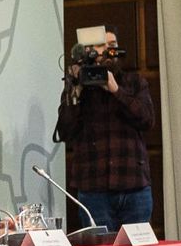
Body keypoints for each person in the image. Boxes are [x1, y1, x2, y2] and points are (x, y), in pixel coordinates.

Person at [54, 27, 155, 231]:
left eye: (112, 46)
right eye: (101, 46)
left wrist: (115, 90)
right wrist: (76, 91)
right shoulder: (78, 89)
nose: (107, 51)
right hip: (93, 188)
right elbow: (65, 131)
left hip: (133, 185)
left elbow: (147, 120)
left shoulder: (134, 83)